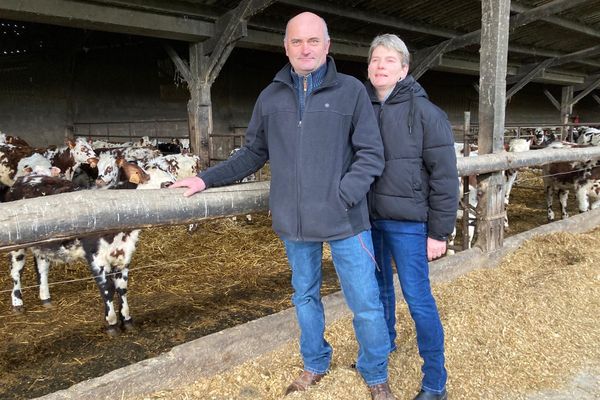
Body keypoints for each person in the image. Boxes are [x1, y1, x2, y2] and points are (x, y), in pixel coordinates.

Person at [171, 12, 397, 400]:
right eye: (297, 41)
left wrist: (342, 195)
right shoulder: (271, 96)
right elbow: (252, 153)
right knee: (305, 296)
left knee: (365, 301)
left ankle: (375, 372)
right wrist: (205, 178)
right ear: (286, 47)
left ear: (327, 46)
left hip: (346, 221)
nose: (305, 48)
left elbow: (371, 155)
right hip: (294, 224)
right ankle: (315, 363)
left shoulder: (351, 92)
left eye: (313, 41)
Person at [365, 34, 459, 400]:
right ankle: (385, 345)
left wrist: (439, 232)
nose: (380, 66)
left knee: (418, 299)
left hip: (410, 224)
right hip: (371, 220)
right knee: (379, 292)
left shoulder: (427, 114)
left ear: (404, 69)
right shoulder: (365, 109)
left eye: (389, 60)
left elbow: (445, 177)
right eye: (375, 60)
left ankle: (435, 382)